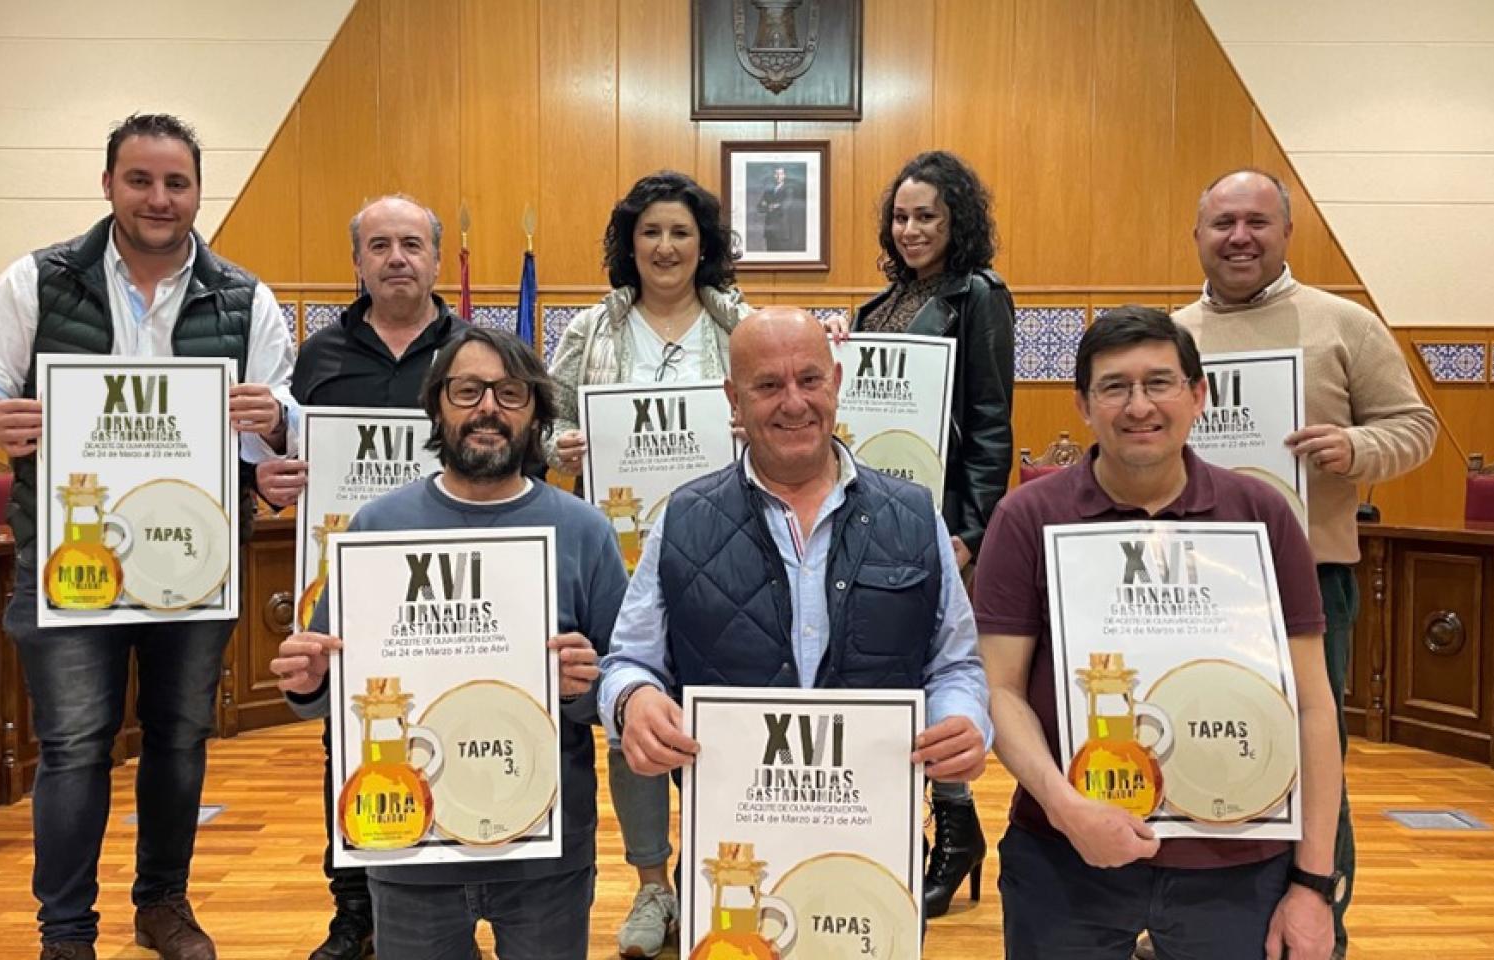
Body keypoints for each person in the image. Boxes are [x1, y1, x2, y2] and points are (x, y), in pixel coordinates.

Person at [0, 113, 297, 960]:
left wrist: (272, 419)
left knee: (180, 737)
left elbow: (275, 422)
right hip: (71, 557)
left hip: (196, 561)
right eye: (140, 180)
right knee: (73, 745)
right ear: (108, 184)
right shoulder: (39, 279)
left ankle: (162, 905)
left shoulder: (246, 298)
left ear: (198, 192)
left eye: (176, 183)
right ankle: (65, 933)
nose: (159, 198)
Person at [975, 306, 1342, 960]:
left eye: (1159, 383)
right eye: (1115, 387)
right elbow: (999, 690)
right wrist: (1065, 808)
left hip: (1238, 861)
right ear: (1083, 405)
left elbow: (1313, 706)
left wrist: (1313, 885)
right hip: (1066, 855)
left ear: (1198, 395)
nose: (1138, 405)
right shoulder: (1027, 517)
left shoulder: (1262, 516)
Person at [598, 307, 992, 882]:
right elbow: (629, 661)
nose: (794, 402)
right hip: (729, 863)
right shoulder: (681, 519)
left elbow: (955, 664)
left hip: (876, 860)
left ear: (836, 381)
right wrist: (632, 700)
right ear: (734, 401)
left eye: (810, 380)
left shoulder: (914, 515)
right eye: (767, 386)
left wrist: (962, 718)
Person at [272, 326, 626, 960]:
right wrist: (308, 681)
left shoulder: (584, 529)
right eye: (467, 391)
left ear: (536, 412)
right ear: (437, 405)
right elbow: (326, 684)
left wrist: (585, 686)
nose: (488, 407)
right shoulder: (376, 527)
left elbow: (623, 682)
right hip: (410, 851)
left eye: (510, 393)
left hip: (545, 851)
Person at [1174, 169, 1437, 959]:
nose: (1239, 237)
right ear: (1198, 236)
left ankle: (1321, 929)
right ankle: (1200, 923)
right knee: (1195, 744)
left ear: (1287, 232)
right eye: (1222, 223)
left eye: (1256, 222)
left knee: (1315, 759)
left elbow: (1415, 427)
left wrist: (1354, 447)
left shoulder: (1343, 324)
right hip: (1189, 584)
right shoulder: (1171, 332)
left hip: (1309, 584)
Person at [254, 194, 469, 960]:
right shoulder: (318, 358)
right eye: (379, 245)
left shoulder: (474, 352)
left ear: (436, 259)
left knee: (449, 731)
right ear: (357, 262)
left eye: (411, 243)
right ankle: (355, 913)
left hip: (454, 587)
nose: (396, 258)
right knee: (349, 740)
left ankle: (451, 908)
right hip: (346, 589)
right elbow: (280, 463)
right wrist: (271, 483)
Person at [542, 169, 747, 958]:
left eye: (680, 233)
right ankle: (653, 885)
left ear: (704, 245)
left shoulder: (739, 324)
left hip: (728, 550)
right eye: (650, 232)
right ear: (629, 244)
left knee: (724, 712)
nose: (665, 246)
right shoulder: (591, 331)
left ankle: (723, 869)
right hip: (616, 556)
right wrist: (559, 447)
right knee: (631, 714)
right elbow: (541, 422)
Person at [854, 149, 1016, 917]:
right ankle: (908, 830)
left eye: (928, 216)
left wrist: (971, 531)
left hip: (941, 523)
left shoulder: (978, 296)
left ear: (958, 221)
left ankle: (954, 833)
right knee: (885, 672)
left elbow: (990, 423)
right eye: (901, 216)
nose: (911, 229)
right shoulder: (874, 308)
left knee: (936, 674)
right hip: (872, 519)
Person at [755, 165, 801, 252]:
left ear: (784, 175)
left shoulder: (788, 190)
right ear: (773, 176)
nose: (778, 176)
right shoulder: (768, 192)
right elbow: (759, 208)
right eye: (776, 174)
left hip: (782, 231)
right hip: (769, 231)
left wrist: (769, 206)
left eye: (781, 174)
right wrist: (770, 207)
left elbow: (785, 205)